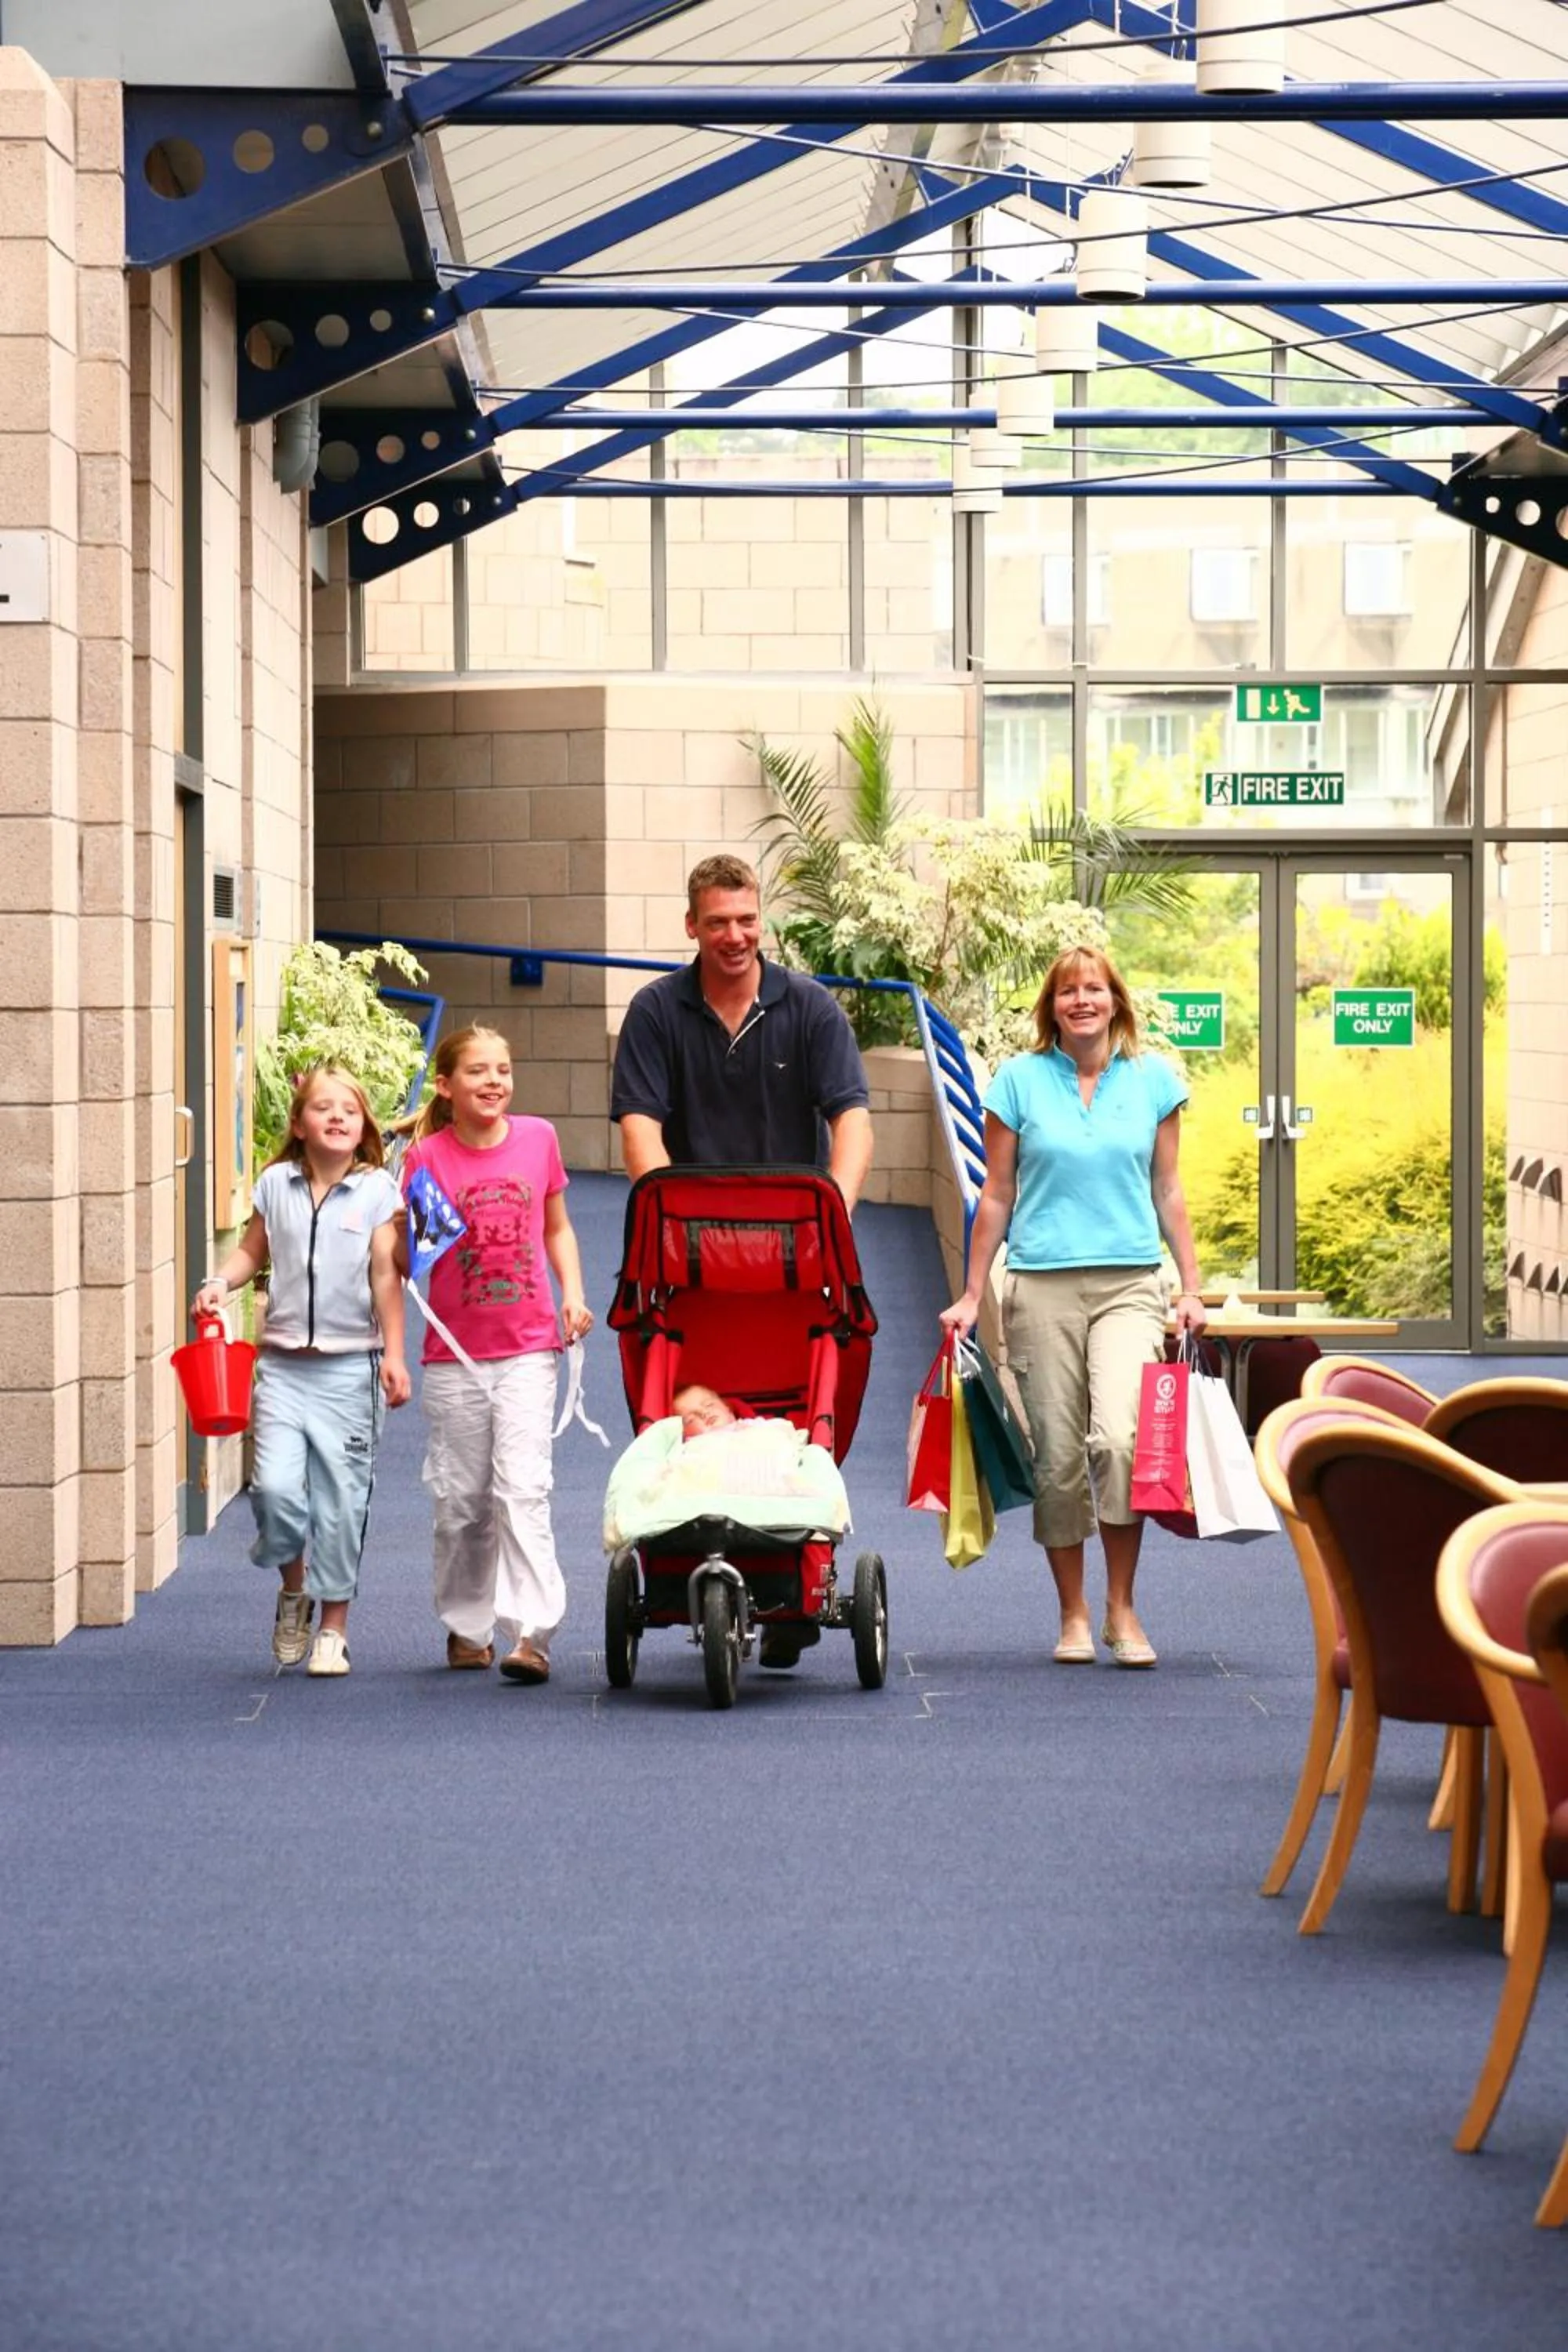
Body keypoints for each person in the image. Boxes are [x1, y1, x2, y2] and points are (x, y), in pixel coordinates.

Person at [940, 946, 1207, 1671]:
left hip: (1130, 1285)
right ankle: (1074, 1612)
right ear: (1051, 1007)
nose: (1082, 1000)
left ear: (1116, 1001)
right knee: (1057, 1459)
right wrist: (972, 1294)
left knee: (1119, 1441)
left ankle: (1122, 1606)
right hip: (1040, 1285)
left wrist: (1190, 1286)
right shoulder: (1017, 1082)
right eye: (1068, 991)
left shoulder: (1154, 1081)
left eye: (1094, 989)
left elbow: (1168, 1189)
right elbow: (997, 1194)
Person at [193, 1064, 411, 1679]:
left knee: (342, 1505)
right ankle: (295, 1591)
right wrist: (219, 1283)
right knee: (274, 1492)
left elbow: (386, 1277)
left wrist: (395, 1354)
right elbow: (251, 1251)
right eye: (323, 1107)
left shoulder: (377, 1192)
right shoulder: (275, 1185)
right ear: (298, 1123)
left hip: (351, 1371)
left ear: (364, 1126)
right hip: (283, 1370)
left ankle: (334, 1631)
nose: (337, 1116)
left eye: (349, 1109)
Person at [398, 1025, 592, 1686]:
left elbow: (557, 1227)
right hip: (455, 1353)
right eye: (477, 1071)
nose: (494, 1081)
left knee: (523, 1489)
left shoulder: (538, 1139)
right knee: (462, 1500)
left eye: (502, 1070)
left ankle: (533, 1632)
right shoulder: (426, 1158)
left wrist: (573, 1295)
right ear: (445, 1086)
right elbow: (418, 1259)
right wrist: (395, 1221)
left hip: (529, 1347)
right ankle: (467, 1624)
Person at [610, 853, 873, 1212]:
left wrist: (834, 1214)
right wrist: (670, 1216)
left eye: (746, 920)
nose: (735, 937)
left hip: (793, 1223)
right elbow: (639, 1128)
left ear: (760, 922)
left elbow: (853, 1120)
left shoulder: (813, 1008)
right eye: (717, 923)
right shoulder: (653, 1011)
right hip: (690, 1222)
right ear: (691, 925)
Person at [603, 1383, 851, 1552]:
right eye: (691, 1418)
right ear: (683, 1432)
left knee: (811, 1457)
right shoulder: (688, 1447)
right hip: (704, 1496)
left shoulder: (762, 1428)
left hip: (767, 1487)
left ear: (729, 1409)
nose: (704, 1413)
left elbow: (788, 1444)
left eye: (709, 1405)